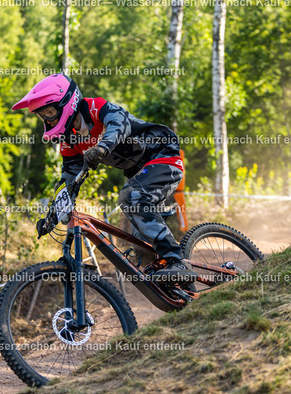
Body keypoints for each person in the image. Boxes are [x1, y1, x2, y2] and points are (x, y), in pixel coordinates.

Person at [12, 73, 197, 284]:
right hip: (139, 173)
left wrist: (102, 147)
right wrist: (51, 217)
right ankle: (180, 290)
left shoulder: (95, 108)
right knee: (142, 246)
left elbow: (120, 124)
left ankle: (176, 261)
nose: (47, 119)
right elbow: (68, 181)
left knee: (131, 197)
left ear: (67, 102)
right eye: (42, 115)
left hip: (163, 155)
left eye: (50, 112)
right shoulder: (69, 140)